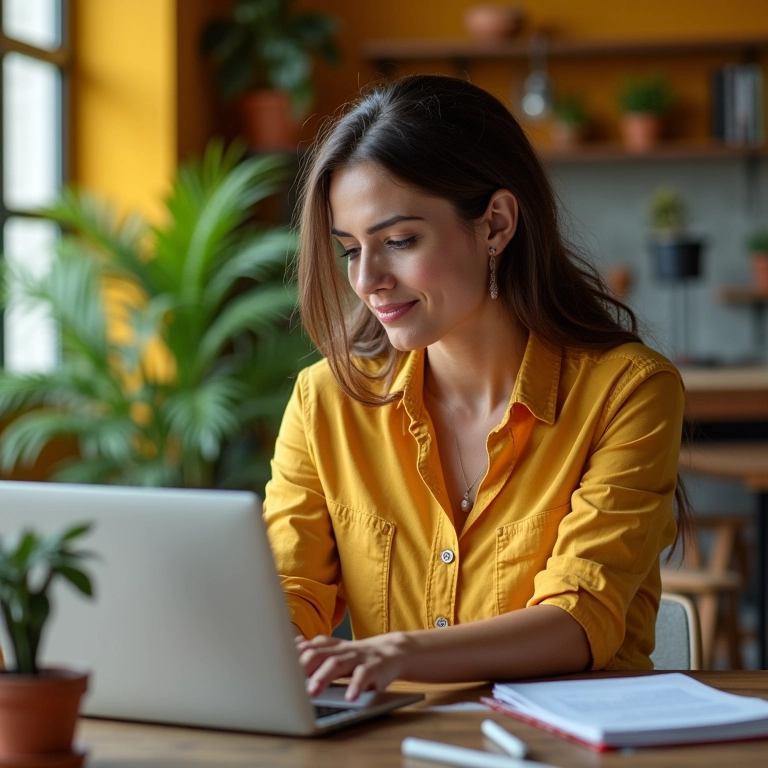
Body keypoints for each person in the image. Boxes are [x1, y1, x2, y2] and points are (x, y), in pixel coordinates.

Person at [263, 75, 688, 701]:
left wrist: (397, 650)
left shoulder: (629, 391)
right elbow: (290, 590)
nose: (368, 279)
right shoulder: (325, 400)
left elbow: (578, 619)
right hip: (396, 747)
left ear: (495, 223)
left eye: (400, 241)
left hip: (571, 747)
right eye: (350, 250)